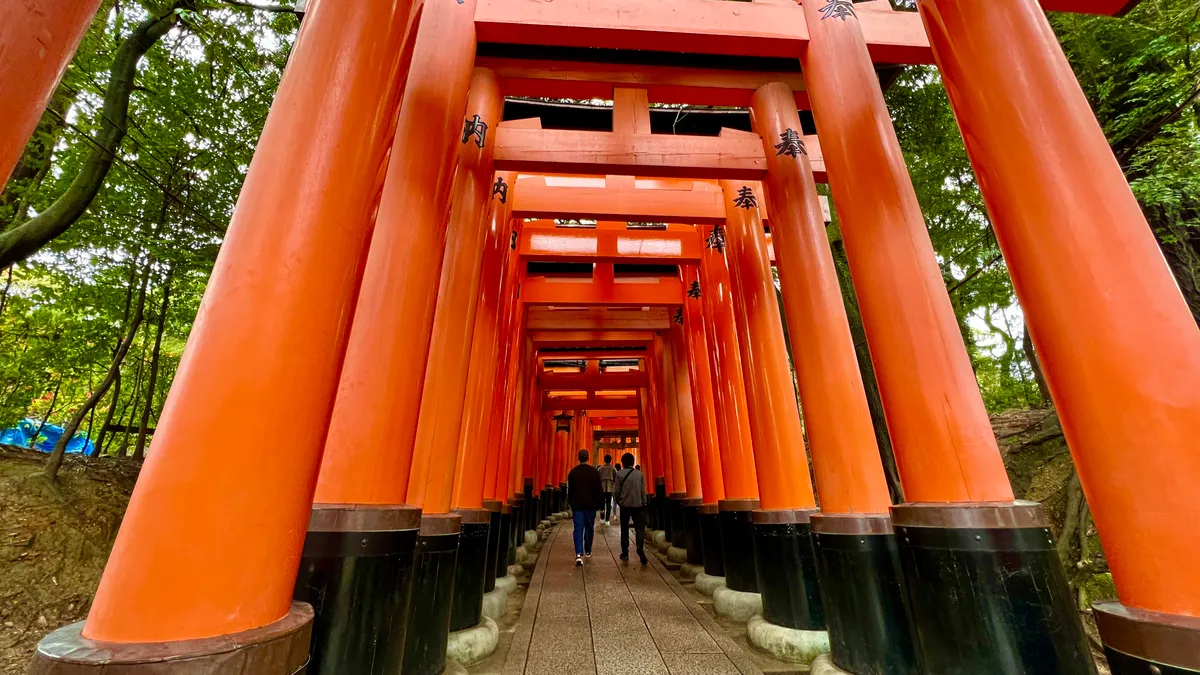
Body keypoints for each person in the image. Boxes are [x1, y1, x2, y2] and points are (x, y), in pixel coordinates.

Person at [567, 448, 604, 567]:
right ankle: (588, 549)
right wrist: (601, 505)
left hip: (577, 505)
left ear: (579, 458)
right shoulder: (594, 472)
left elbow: (570, 490)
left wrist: (570, 503)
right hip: (590, 505)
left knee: (578, 528)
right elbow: (599, 490)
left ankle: (578, 553)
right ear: (588, 458)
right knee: (589, 527)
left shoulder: (573, 472)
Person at [614, 452, 648, 565]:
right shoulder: (640, 474)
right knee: (640, 528)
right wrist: (644, 502)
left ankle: (625, 552)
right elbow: (643, 491)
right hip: (638, 505)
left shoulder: (619, 474)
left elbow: (617, 492)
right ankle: (639, 547)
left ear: (623, 463)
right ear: (633, 462)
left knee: (624, 529)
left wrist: (619, 502)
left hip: (625, 505)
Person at [597, 454, 618, 523]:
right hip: (610, 488)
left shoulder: (600, 468)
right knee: (609, 504)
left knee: (602, 503)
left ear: (604, 460)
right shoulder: (613, 468)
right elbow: (616, 479)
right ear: (610, 460)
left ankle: (602, 516)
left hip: (602, 488)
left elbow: (598, 478)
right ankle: (607, 520)